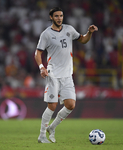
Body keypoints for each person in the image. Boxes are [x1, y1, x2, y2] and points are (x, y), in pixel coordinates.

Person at [34, 7, 98, 143]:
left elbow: (83, 40)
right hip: (53, 74)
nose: (59, 18)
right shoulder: (46, 34)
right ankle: (41, 136)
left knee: (71, 105)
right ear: (51, 17)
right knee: (52, 106)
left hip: (67, 75)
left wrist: (89, 33)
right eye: (56, 16)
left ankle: (51, 128)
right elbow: (37, 53)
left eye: (61, 16)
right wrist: (41, 67)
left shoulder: (69, 29)